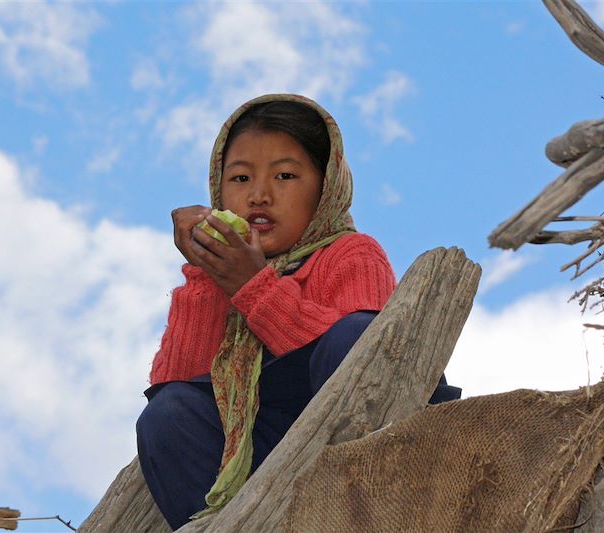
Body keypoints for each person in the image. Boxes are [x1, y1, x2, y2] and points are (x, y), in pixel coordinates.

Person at [136, 94, 461, 529]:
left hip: (359, 455)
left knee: (355, 335)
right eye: (240, 178)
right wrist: (206, 273)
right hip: (266, 464)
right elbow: (175, 391)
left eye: (285, 175)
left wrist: (252, 287)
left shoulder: (352, 253)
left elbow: (361, 364)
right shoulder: (218, 276)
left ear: (325, 187)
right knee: (168, 413)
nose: (259, 195)